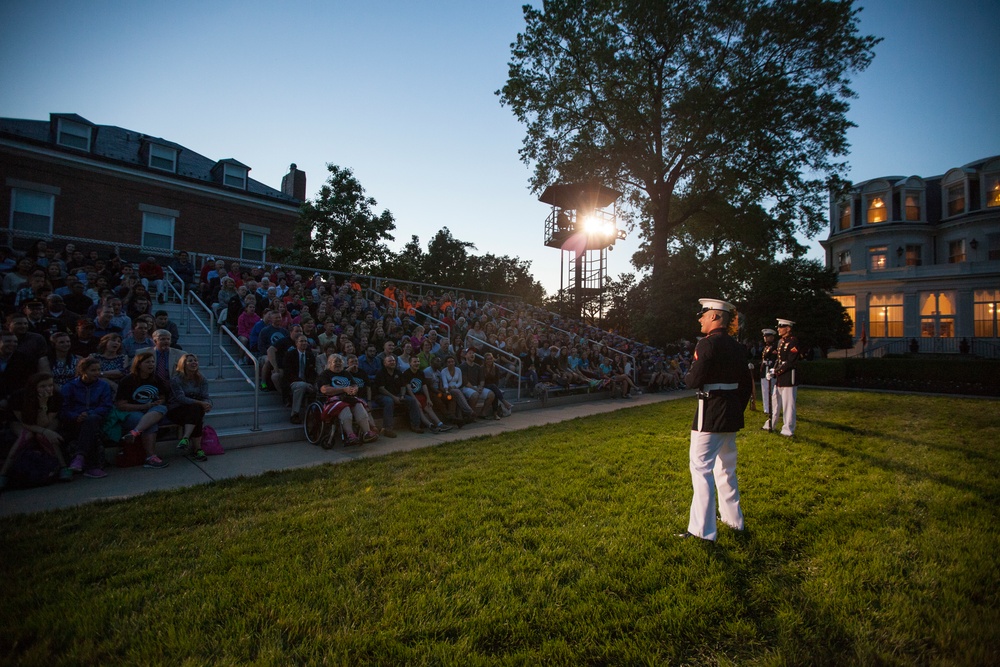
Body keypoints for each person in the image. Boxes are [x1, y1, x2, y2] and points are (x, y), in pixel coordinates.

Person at [677, 298, 752, 542]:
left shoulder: (708, 345)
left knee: (701, 469)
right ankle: (733, 520)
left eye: (703, 314)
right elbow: (746, 385)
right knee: (726, 469)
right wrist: (736, 409)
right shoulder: (737, 346)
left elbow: (693, 380)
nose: (699, 318)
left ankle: (702, 530)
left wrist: (688, 376)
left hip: (709, 412)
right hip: (731, 412)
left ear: (715, 317)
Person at [0, 373, 74, 489]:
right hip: (22, 422)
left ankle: (63, 467)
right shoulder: (18, 397)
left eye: (50, 385)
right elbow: (24, 422)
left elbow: (45, 422)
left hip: (46, 421)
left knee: (43, 437)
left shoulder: (56, 397)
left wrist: (43, 405)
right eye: (43, 386)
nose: (48, 389)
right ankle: (3, 473)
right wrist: (45, 431)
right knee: (26, 436)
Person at [60, 357, 115, 478]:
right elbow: (64, 407)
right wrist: (76, 416)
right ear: (83, 371)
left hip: (96, 417)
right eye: (93, 370)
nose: (97, 373)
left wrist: (89, 413)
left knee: (91, 421)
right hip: (74, 420)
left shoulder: (103, 386)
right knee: (90, 430)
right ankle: (92, 466)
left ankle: (80, 457)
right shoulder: (70, 387)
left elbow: (106, 406)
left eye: (98, 370)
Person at [116, 351, 170, 468]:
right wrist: (145, 406)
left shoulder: (156, 379)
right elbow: (121, 405)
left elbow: (162, 396)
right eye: (147, 362)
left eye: (152, 362)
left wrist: (159, 401)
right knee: (149, 423)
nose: (151, 364)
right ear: (139, 364)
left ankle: (134, 433)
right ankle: (150, 457)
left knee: (162, 408)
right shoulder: (127, 380)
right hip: (131, 412)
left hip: (152, 411)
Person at [316, 354, 378, 445]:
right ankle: (350, 435)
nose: (338, 364)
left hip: (348, 398)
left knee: (359, 405)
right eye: (335, 362)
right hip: (333, 400)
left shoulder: (346, 373)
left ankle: (367, 432)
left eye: (339, 362)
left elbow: (354, 385)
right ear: (329, 363)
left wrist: (354, 389)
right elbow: (325, 390)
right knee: (344, 407)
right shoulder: (325, 374)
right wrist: (343, 389)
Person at [168, 354, 212, 462]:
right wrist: (201, 403)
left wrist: (208, 404)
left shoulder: (202, 379)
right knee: (197, 410)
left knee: (196, 410)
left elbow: (206, 397)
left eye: (195, 360)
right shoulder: (176, 379)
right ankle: (197, 449)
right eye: (190, 361)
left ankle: (186, 439)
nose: (194, 363)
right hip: (177, 409)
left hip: (194, 411)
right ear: (183, 364)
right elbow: (180, 398)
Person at [374, 353, 422, 437]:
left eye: (393, 361)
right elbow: (381, 389)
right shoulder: (380, 373)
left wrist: (402, 396)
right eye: (390, 361)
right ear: (385, 363)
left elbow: (403, 386)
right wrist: (394, 398)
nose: (392, 362)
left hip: (398, 394)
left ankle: (415, 425)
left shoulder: (398, 372)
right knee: (389, 402)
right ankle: (387, 429)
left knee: (412, 400)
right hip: (381, 395)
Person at [766, 318, 799, 437]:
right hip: (780, 378)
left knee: (788, 405)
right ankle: (771, 424)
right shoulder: (781, 342)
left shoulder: (793, 342)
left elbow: (790, 361)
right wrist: (773, 370)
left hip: (789, 377)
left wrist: (777, 370)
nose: (778, 329)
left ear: (788, 328)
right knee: (775, 401)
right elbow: (779, 359)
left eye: (781, 327)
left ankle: (788, 429)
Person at [282, 335, 318, 424]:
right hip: (292, 382)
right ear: (296, 343)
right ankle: (295, 414)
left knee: (319, 386)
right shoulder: (290, 355)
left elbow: (312, 372)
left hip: (307, 382)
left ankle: (314, 414)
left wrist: (311, 383)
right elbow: (288, 372)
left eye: (305, 341)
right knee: (301, 386)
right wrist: (304, 383)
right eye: (301, 341)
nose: (304, 343)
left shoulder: (310, 355)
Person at [759, 328, 778, 429]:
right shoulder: (766, 347)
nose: (765, 338)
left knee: (770, 390)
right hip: (764, 369)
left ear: (772, 337)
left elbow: (774, 359)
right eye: (765, 337)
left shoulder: (775, 347)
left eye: (767, 336)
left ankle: (771, 408)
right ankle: (766, 407)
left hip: (769, 369)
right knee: (764, 389)